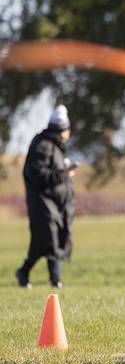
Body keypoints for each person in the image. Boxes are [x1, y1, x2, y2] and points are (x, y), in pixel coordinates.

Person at [15, 105, 76, 289]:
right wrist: (63, 174)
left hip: (54, 204)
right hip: (43, 204)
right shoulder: (43, 146)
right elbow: (37, 174)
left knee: (44, 243)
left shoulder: (55, 147)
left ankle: (26, 273)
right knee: (50, 240)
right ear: (62, 130)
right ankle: (54, 279)